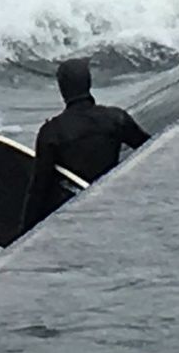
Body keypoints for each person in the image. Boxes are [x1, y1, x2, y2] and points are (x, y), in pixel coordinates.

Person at [19, 57, 150, 233]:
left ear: (62, 89)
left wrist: (24, 233)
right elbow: (149, 150)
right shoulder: (115, 118)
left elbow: (38, 189)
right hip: (112, 204)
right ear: (88, 84)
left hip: (74, 216)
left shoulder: (52, 132)